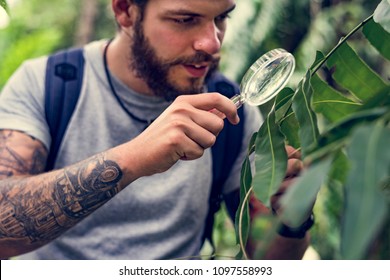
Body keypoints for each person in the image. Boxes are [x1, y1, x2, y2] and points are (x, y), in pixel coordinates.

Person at [0, 0, 310, 260]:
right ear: (125, 12)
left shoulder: (233, 112)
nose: (212, 43)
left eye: (221, 18)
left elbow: (268, 259)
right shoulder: (48, 85)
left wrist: (291, 217)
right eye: (185, 19)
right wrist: (134, 158)